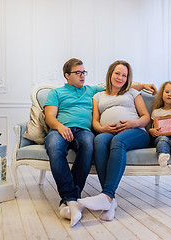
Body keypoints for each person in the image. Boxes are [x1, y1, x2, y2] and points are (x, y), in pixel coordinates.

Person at [44, 58, 156, 227]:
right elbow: (50, 117)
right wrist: (61, 128)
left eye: (84, 72)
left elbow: (122, 87)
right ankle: (71, 198)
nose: (82, 76)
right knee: (56, 146)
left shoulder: (92, 90)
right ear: (67, 75)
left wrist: (144, 86)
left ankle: (103, 196)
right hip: (62, 129)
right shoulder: (58, 93)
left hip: (88, 131)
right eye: (78, 73)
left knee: (89, 145)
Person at [77, 60, 154, 221]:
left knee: (118, 141)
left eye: (124, 75)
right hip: (108, 132)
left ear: (128, 78)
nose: (120, 77)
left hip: (136, 132)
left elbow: (146, 117)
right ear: (110, 74)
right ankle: (109, 202)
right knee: (99, 141)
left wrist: (133, 123)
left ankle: (107, 196)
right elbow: (95, 122)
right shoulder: (98, 96)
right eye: (117, 73)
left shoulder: (132, 92)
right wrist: (102, 129)